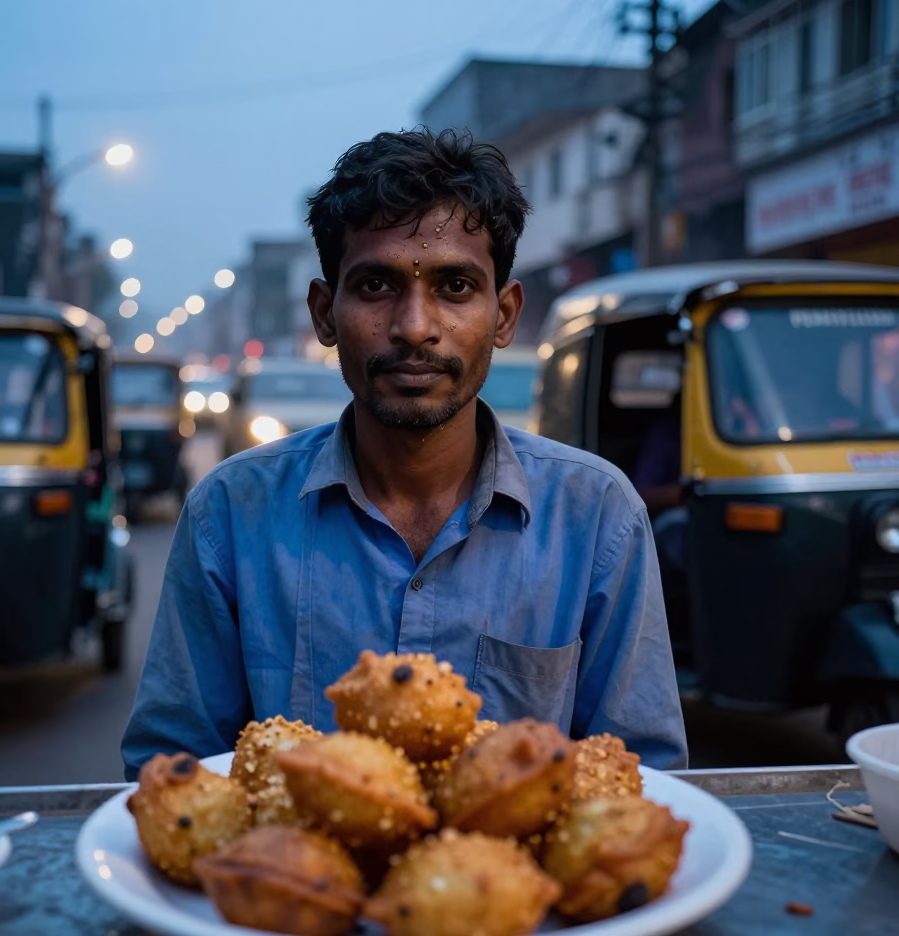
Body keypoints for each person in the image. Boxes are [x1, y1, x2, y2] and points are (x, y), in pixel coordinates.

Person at [121, 128, 687, 780]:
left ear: (503, 315)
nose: (415, 326)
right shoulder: (229, 513)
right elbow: (172, 776)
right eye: (376, 286)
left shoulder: (595, 515)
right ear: (325, 313)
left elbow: (640, 783)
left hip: (515, 886)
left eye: (453, 286)